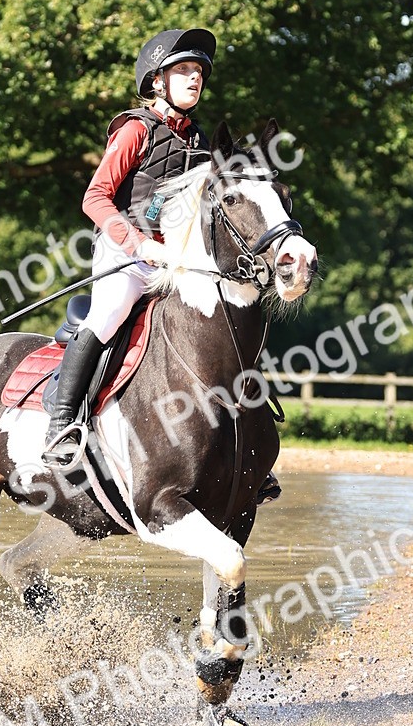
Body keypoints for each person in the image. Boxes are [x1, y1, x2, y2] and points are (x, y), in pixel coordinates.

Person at [41, 27, 282, 505]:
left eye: (199, 73)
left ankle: (246, 446)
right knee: (109, 313)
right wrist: (136, 244)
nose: (195, 80)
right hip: (124, 252)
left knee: (227, 322)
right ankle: (63, 423)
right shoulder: (135, 129)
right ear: (157, 80)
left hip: (174, 257)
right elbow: (95, 197)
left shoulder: (196, 138)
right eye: (184, 71)